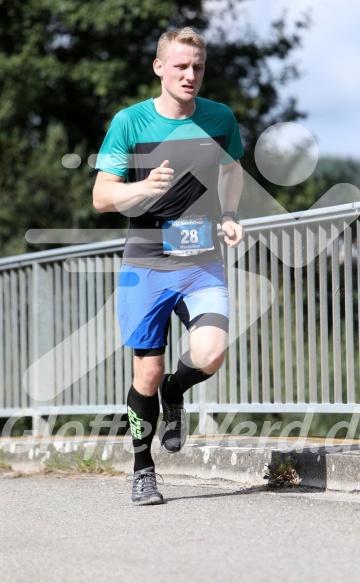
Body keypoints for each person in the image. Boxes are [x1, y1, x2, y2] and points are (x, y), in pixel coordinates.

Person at [93, 26, 244, 505]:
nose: (190, 75)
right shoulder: (131, 122)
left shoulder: (219, 118)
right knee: (147, 373)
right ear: (159, 67)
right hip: (146, 261)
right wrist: (143, 189)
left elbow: (231, 168)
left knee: (212, 352)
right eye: (180, 66)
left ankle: (177, 392)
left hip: (201, 259)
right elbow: (101, 197)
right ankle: (142, 470)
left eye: (197, 67)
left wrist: (231, 214)